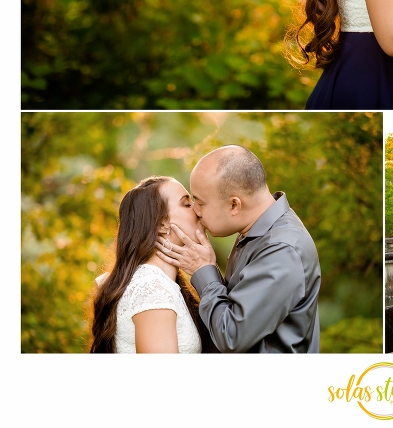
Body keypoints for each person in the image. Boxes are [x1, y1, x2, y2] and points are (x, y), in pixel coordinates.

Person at [155, 146, 320, 353]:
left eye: (200, 202)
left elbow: (232, 336)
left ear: (234, 205)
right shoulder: (255, 231)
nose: (196, 211)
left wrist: (204, 271)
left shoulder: (282, 250)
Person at [90, 176, 206, 353]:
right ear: (162, 223)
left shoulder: (162, 284)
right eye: (187, 204)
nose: (198, 210)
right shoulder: (152, 290)